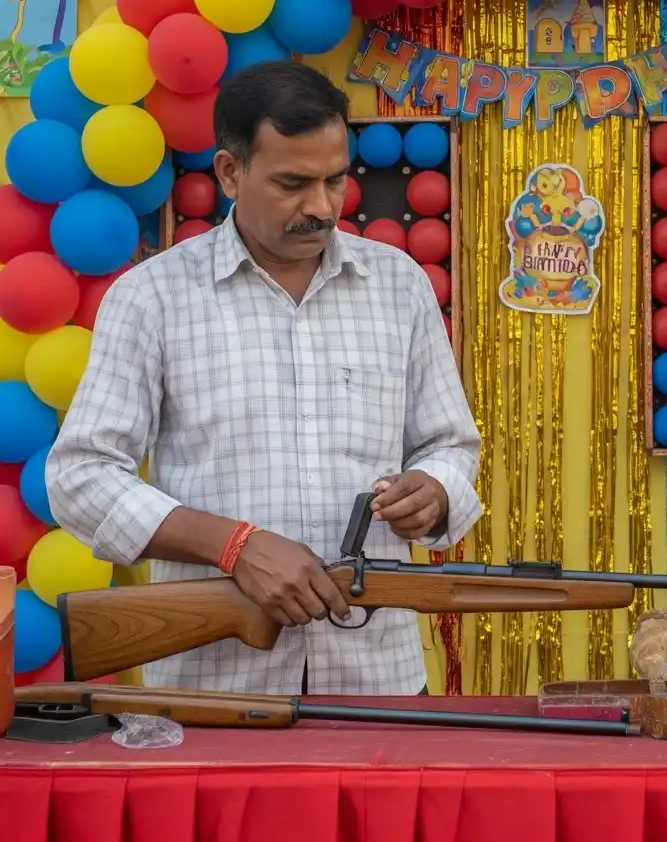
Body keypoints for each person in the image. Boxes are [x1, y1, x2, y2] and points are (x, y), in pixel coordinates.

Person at [46, 61, 482, 697]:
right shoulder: (152, 297)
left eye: (336, 180)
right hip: (212, 683)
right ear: (229, 172)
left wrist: (435, 490)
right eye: (292, 183)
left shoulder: (399, 285)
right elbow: (80, 477)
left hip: (375, 676)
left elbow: (450, 446)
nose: (322, 207)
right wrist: (234, 547)